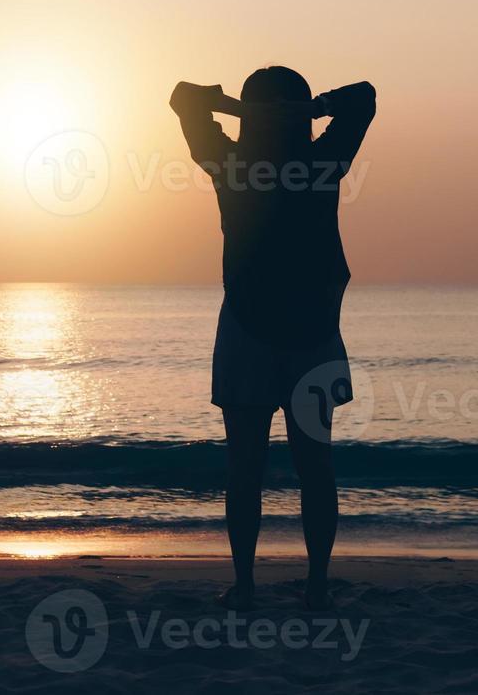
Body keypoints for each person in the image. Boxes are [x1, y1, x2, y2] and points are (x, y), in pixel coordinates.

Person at [169, 68, 376, 611]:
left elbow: (184, 98)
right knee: (308, 467)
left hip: (267, 332)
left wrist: (250, 111)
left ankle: (256, 586)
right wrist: (300, 111)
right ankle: (307, 587)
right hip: (282, 331)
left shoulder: (235, 164)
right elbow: (362, 99)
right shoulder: (316, 163)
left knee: (252, 468)